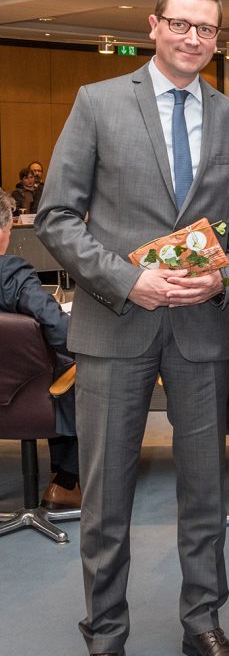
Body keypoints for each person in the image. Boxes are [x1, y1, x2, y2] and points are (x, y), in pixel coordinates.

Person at [35, 0, 229, 656]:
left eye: (208, 29)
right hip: (115, 323)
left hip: (199, 329)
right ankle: (105, 641)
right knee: (105, 499)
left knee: (203, 492)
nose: (194, 39)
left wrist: (222, 277)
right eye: (182, 25)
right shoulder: (98, 102)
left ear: (218, 38)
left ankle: (203, 623)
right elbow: (58, 218)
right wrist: (130, 281)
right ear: (153, 26)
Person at [0, 195, 79, 508]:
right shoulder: (10, 273)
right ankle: (65, 481)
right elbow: (57, 327)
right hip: (25, 396)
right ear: (4, 229)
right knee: (87, 370)